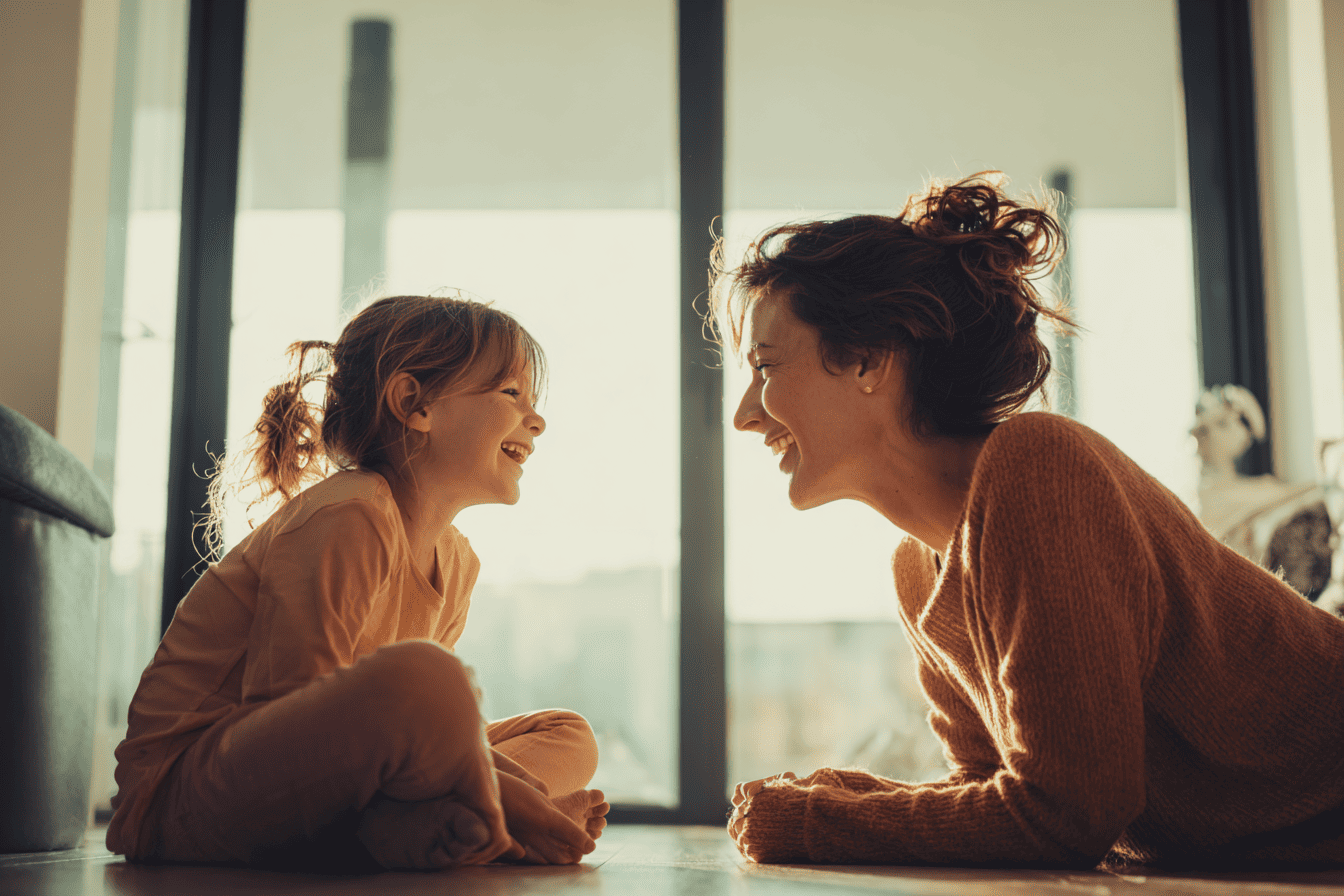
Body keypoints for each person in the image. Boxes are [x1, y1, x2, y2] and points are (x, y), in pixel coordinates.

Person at [712, 174, 1344, 869]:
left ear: (869, 358)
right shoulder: (919, 569)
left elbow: (1067, 814)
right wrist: (848, 798)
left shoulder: (1038, 463)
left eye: (766, 365)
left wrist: (818, 823)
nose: (744, 414)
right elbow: (995, 795)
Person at [107, 295, 609, 870]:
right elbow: (290, 709)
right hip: (183, 799)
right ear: (413, 404)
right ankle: (485, 818)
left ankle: (427, 825)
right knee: (431, 680)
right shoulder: (348, 514)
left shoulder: (458, 562)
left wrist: (486, 772)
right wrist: (517, 790)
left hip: (326, 783)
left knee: (569, 733)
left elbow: (408, 733)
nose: (536, 419)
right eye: (511, 394)